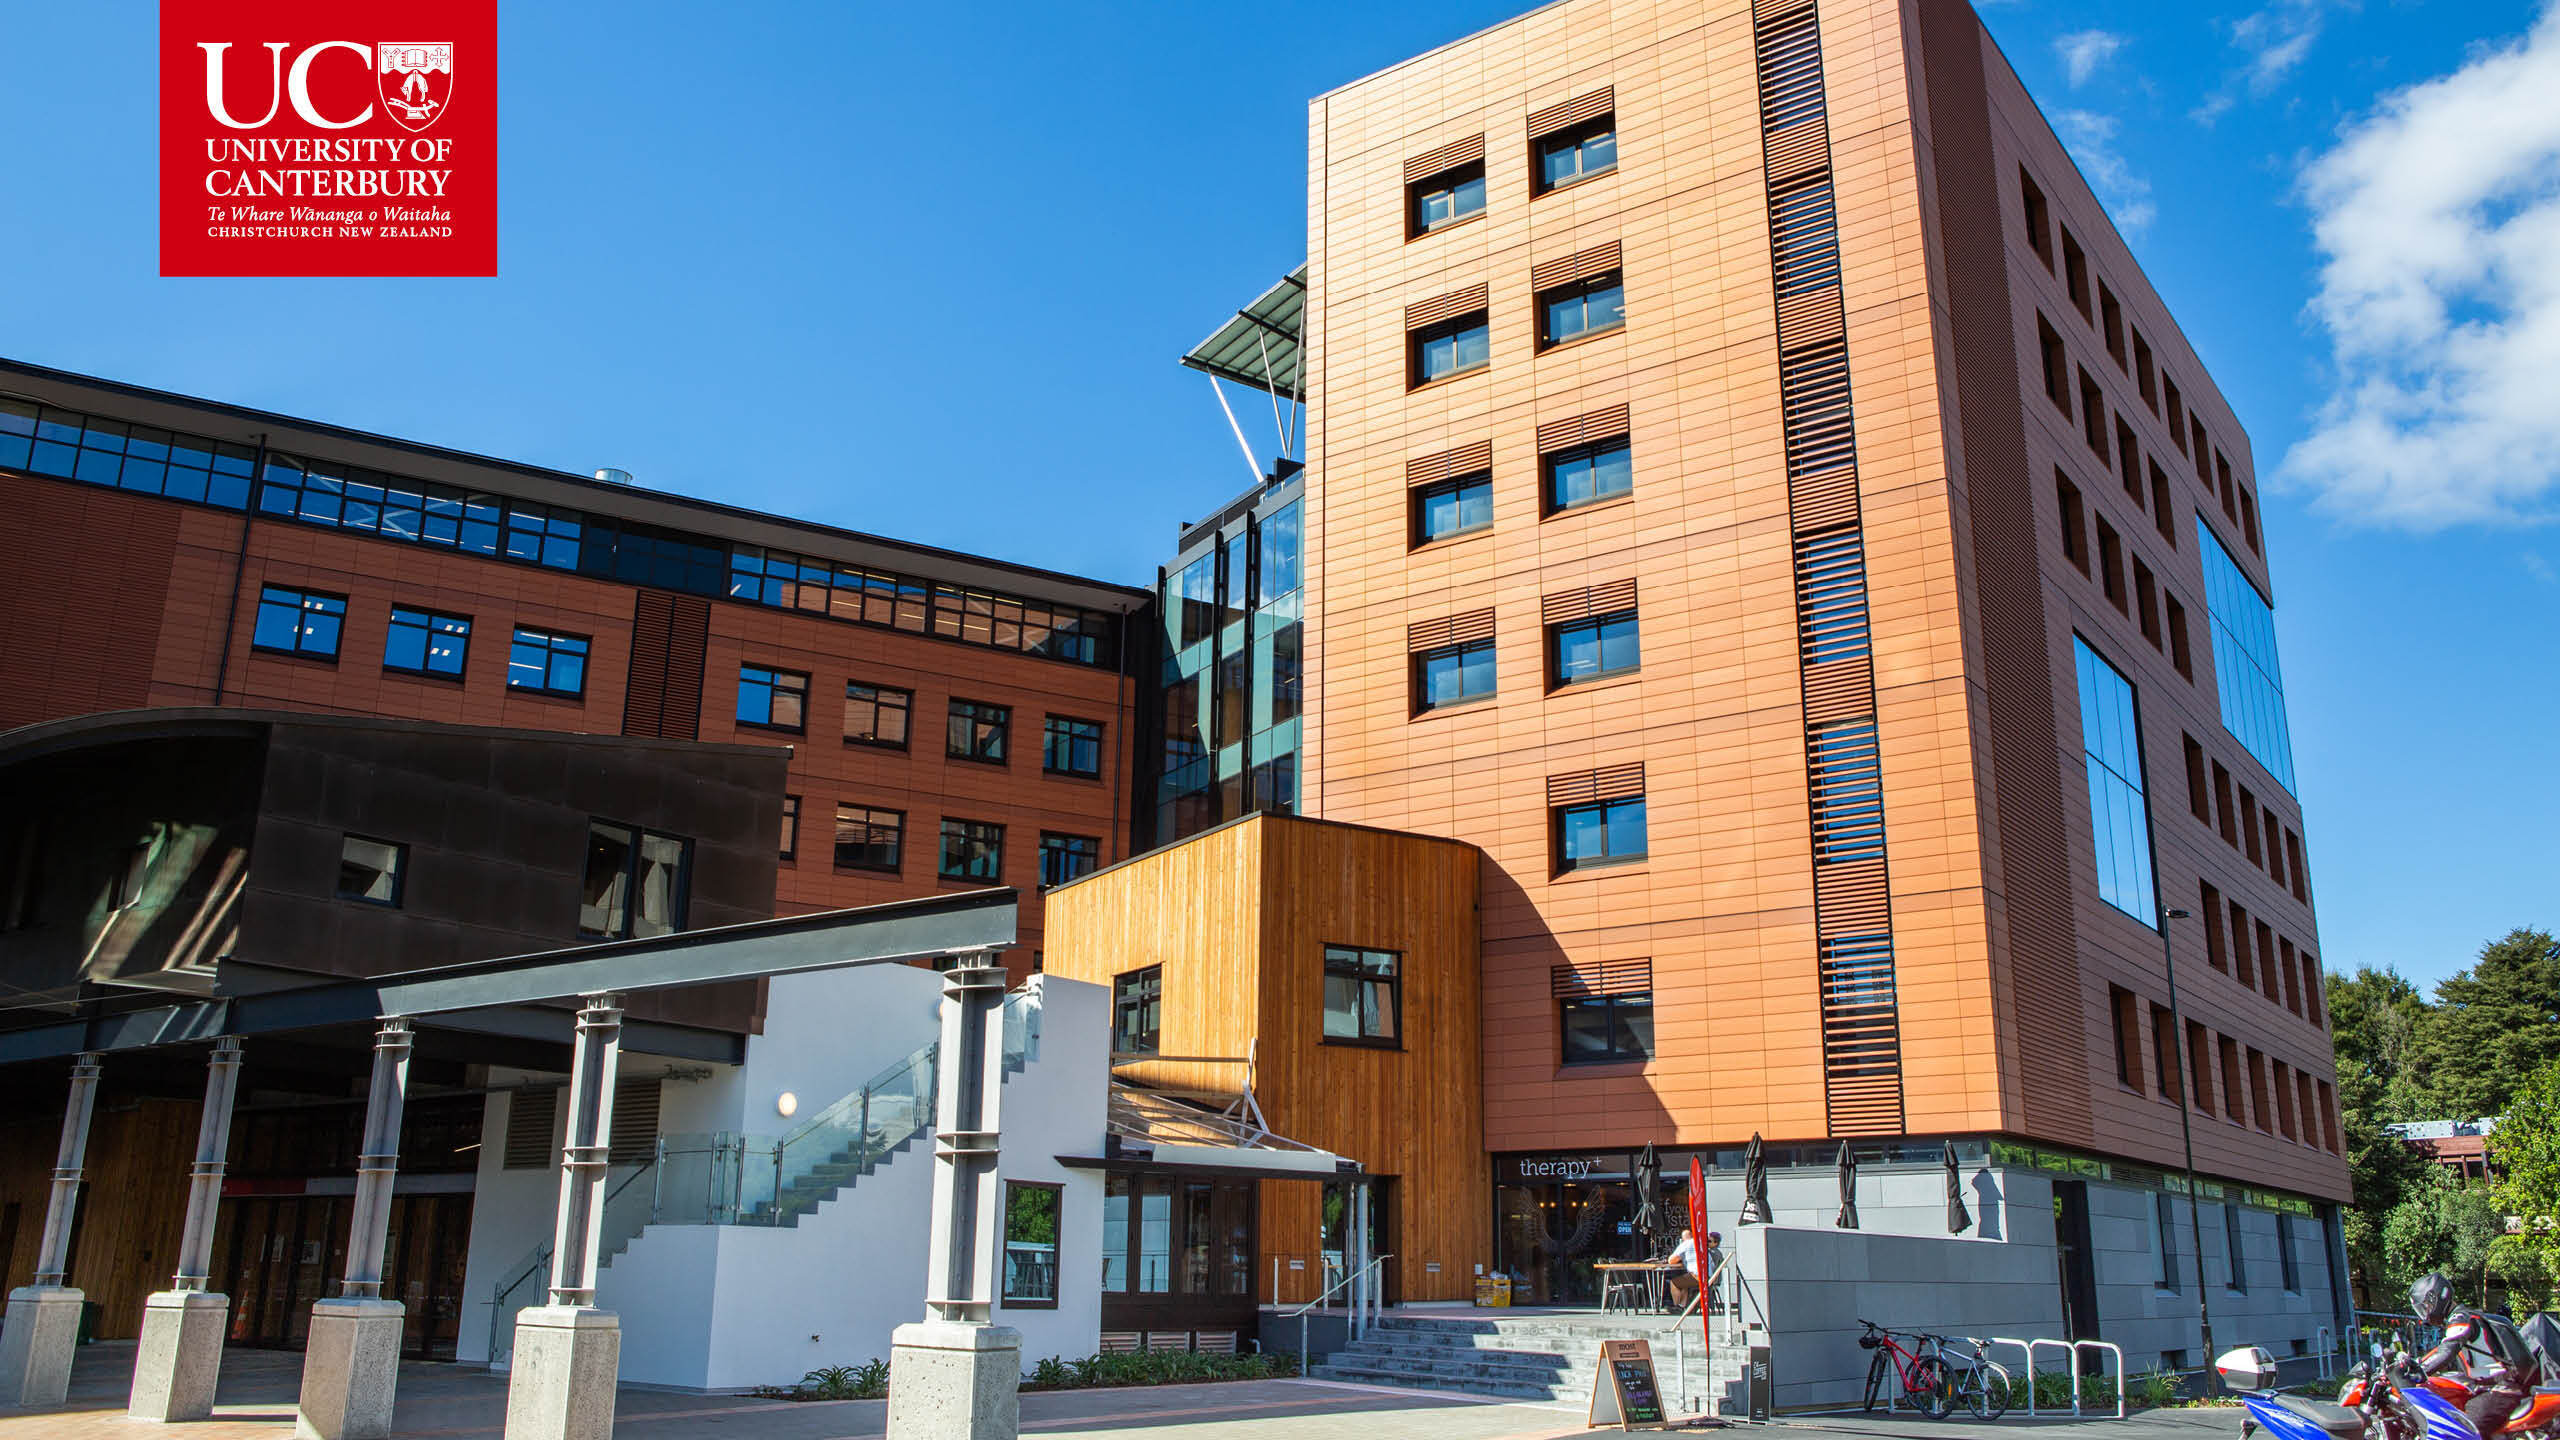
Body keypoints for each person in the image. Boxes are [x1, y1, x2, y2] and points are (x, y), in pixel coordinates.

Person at [2409, 1271, 2540, 1436]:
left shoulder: (2461, 1317)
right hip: (2485, 1389)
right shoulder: (2457, 1321)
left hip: (2501, 1389)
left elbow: (2447, 1351)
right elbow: (2438, 1351)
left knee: (2461, 1432)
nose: (2425, 1314)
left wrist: (2418, 1371)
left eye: (2426, 1306)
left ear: (2438, 1298)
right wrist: (2413, 1363)